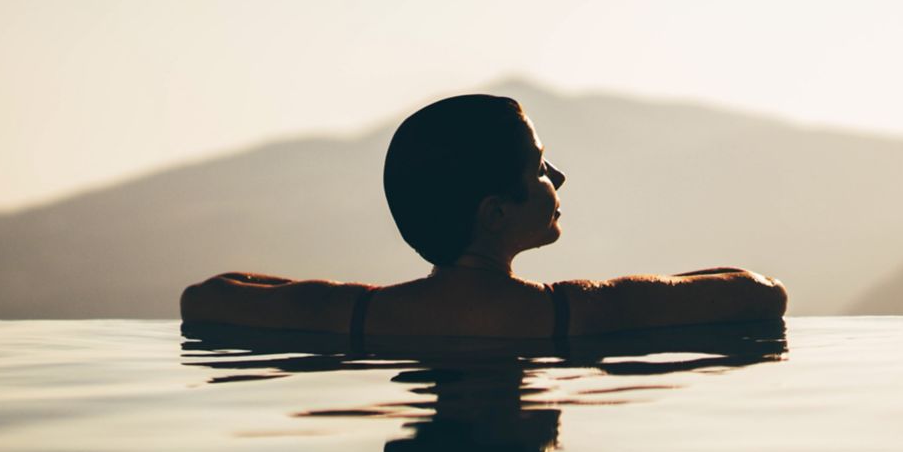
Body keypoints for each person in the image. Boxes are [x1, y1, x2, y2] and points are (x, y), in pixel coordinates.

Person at [180, 94, 788, 340]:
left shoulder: (360, 313)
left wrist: (331, 299)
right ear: (495, 213)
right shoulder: (580, 310)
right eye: (542, 169)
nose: (557, 180)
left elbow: (204, 299)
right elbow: (760, 295)